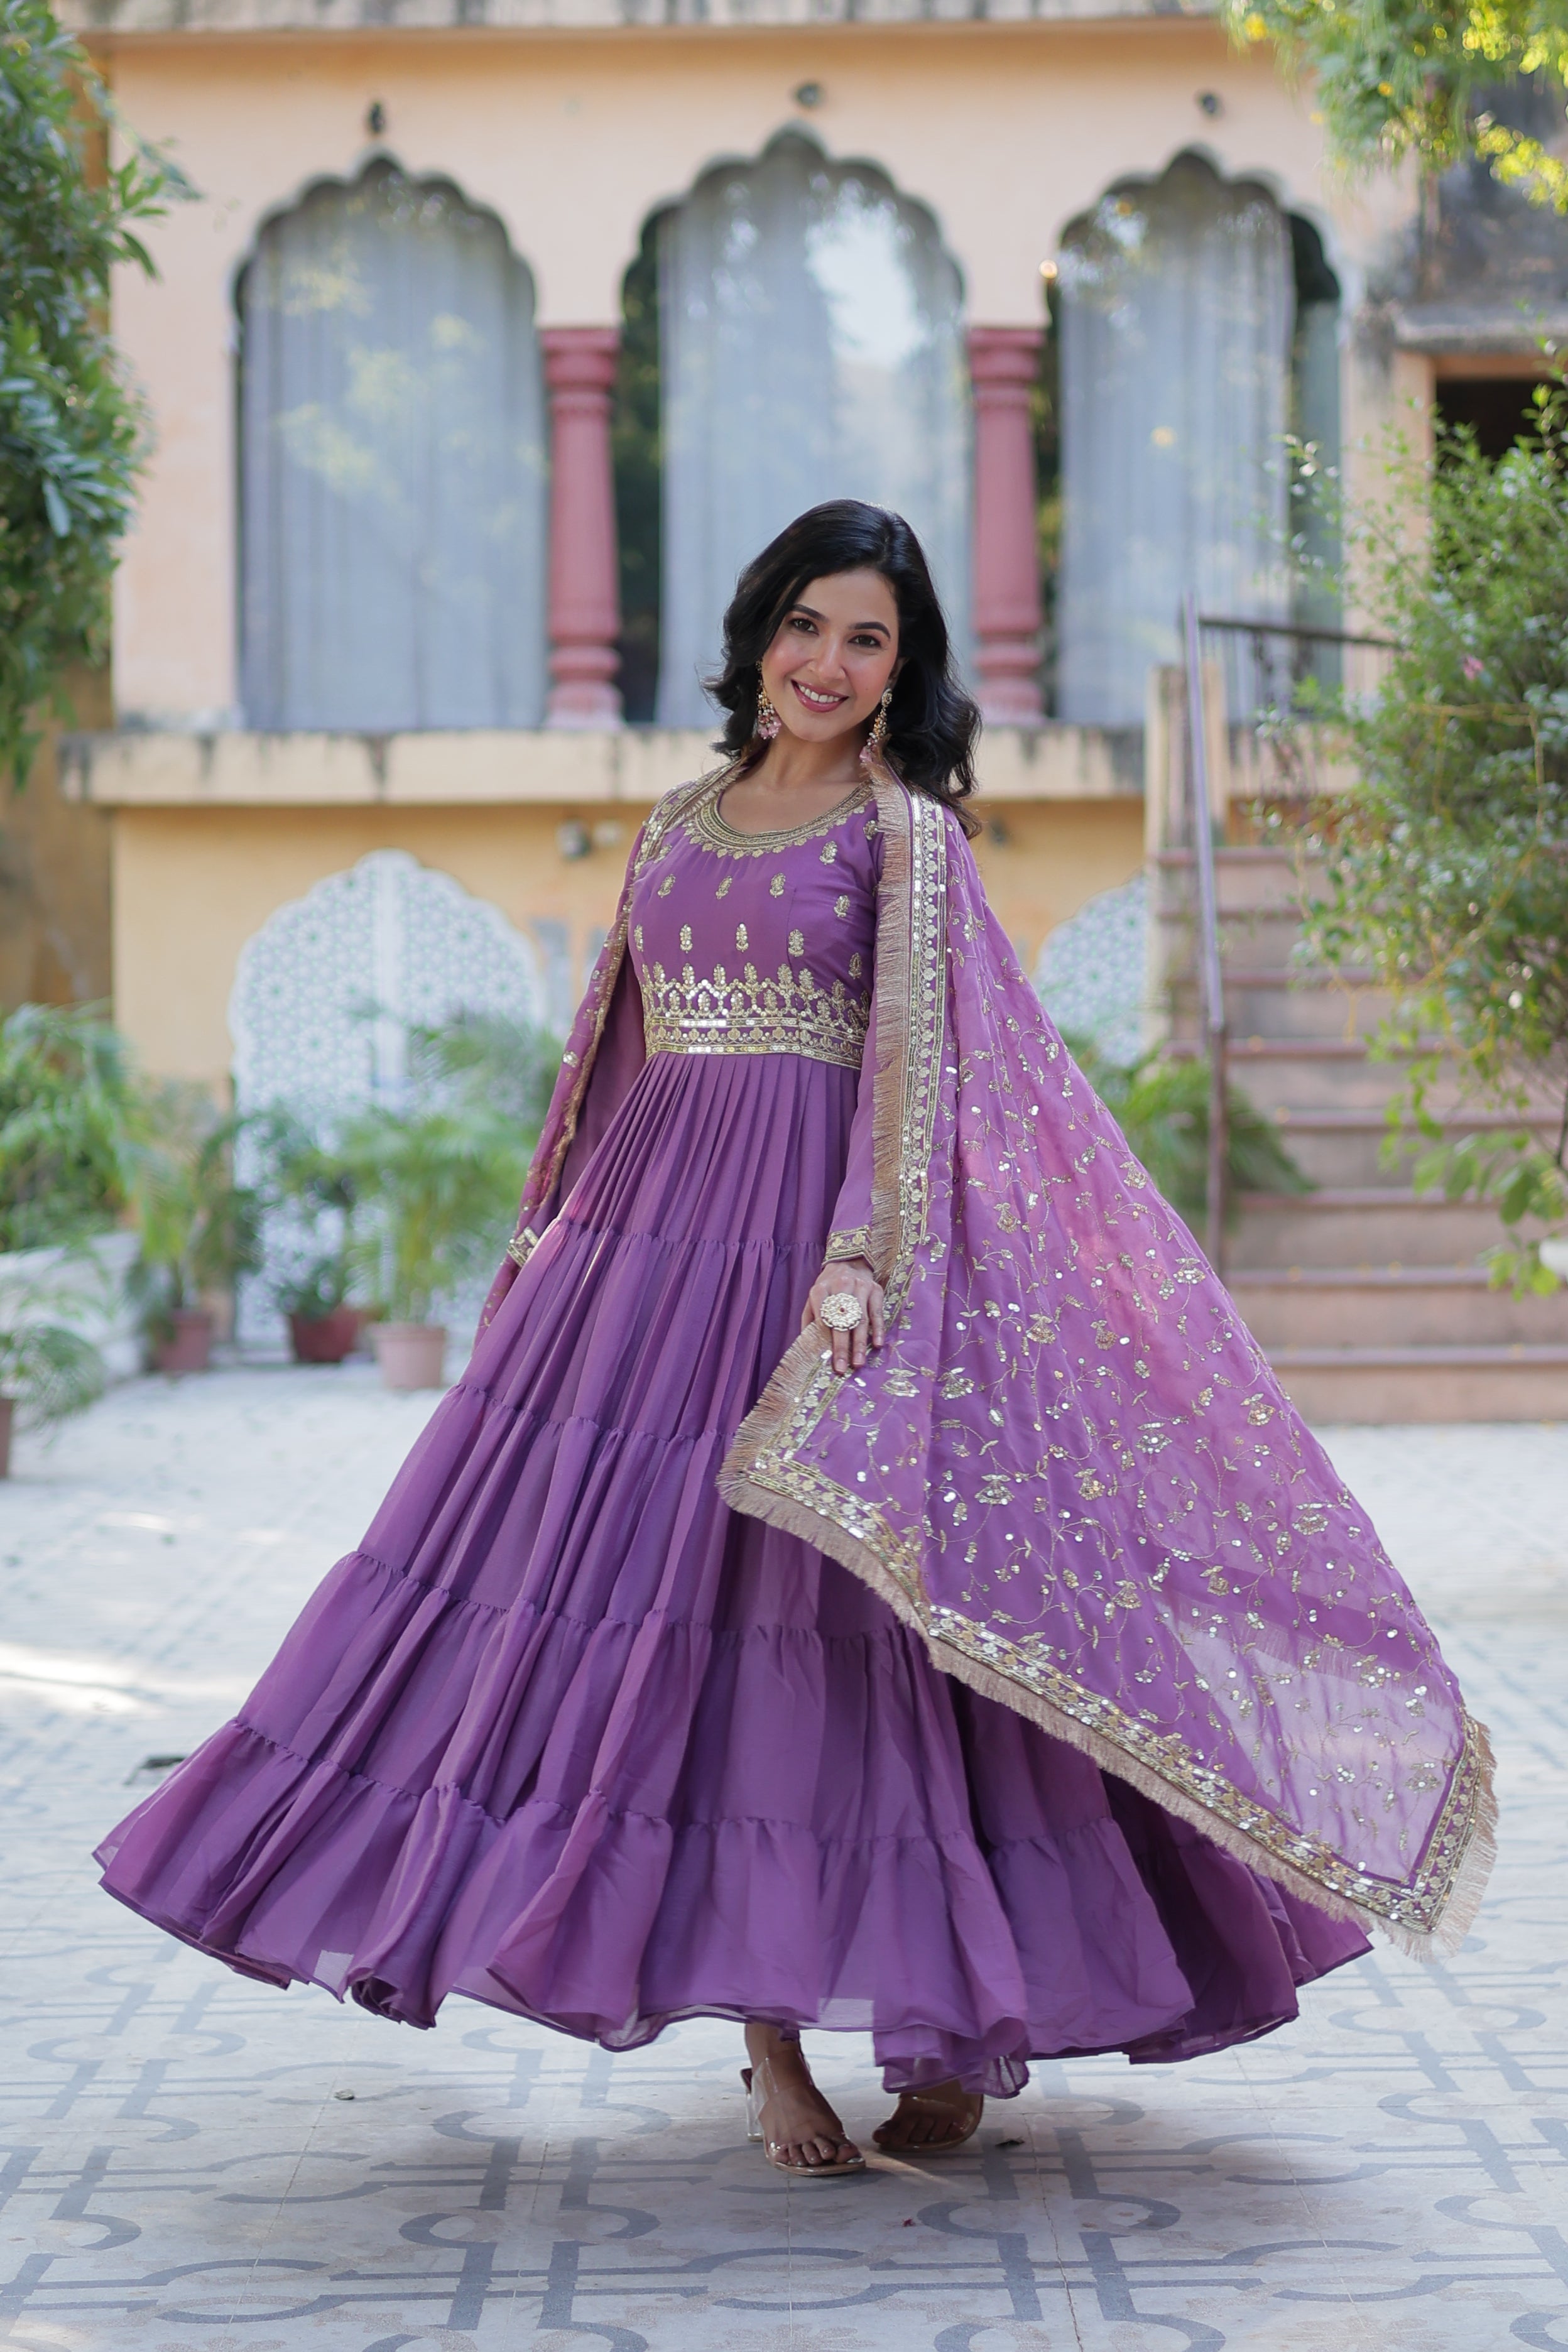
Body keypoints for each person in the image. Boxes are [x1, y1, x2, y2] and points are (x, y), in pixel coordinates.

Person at [97, 501, 1493, 2180]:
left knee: (874, 1652)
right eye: (809, 626)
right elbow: (609, 1052)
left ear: (902, 675)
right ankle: (768, 2046)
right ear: (760, 632)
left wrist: (860, 1267)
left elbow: (923, 1066)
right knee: (659, 1638)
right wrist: (547, 1240)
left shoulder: (906, 840)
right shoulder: (677, 822)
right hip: (641, 1267)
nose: (830, 663)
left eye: (870, 640)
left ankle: (956, 2031)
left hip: (822, 1261)